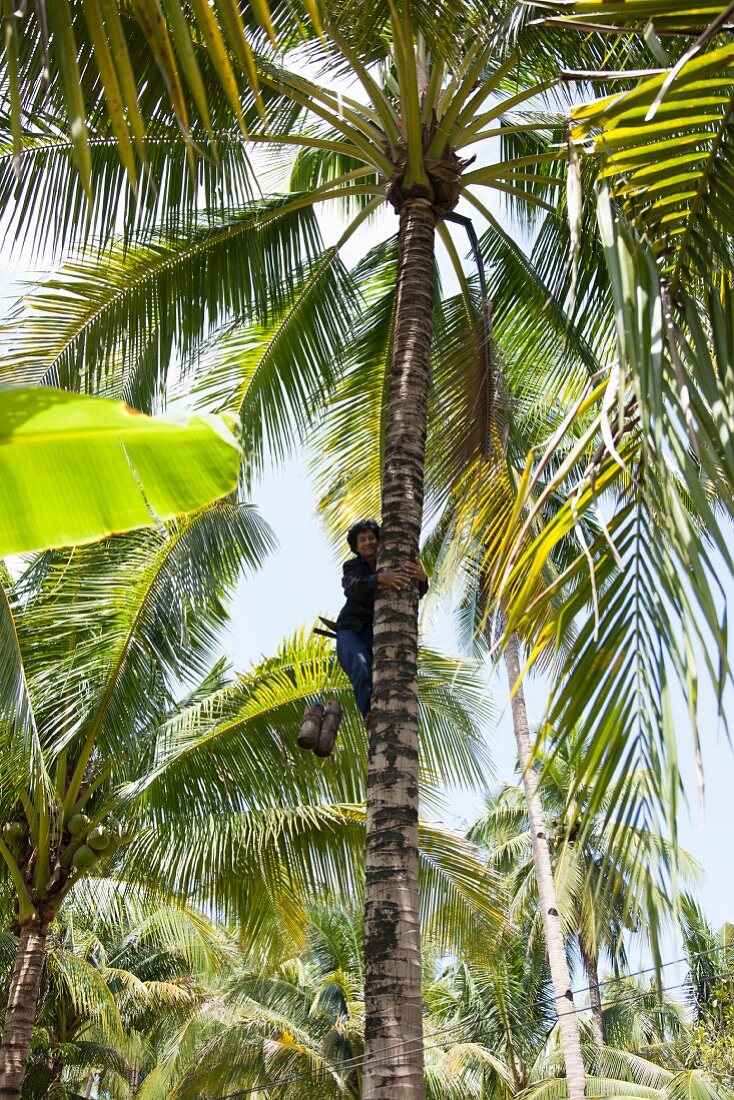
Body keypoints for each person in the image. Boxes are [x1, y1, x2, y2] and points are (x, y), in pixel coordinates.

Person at [335, 519, 428, 723]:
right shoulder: (352, 566)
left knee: (386, 673)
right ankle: (369, 714)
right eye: (362, 540)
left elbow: (410, 591)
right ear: (356, 547)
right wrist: (378, 579)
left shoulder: (392, 560)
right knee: (360, 665)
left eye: (371, 538)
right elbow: (351, 587)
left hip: (377, 632)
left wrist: (423, 579)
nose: (368, 542)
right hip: (350, 629)